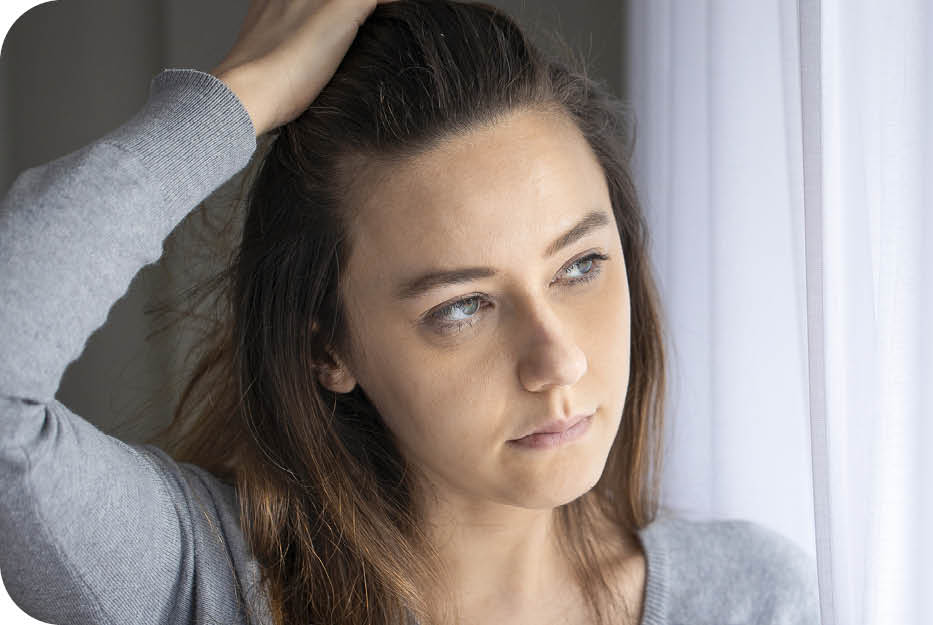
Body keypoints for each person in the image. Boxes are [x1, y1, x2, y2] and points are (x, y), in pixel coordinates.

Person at [0, 1, 818, 624]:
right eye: (462, 306)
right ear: (329, 345)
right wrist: (240, 98)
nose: (558, 360)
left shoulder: (750, 599)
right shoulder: (211, 580)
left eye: (579, 264)